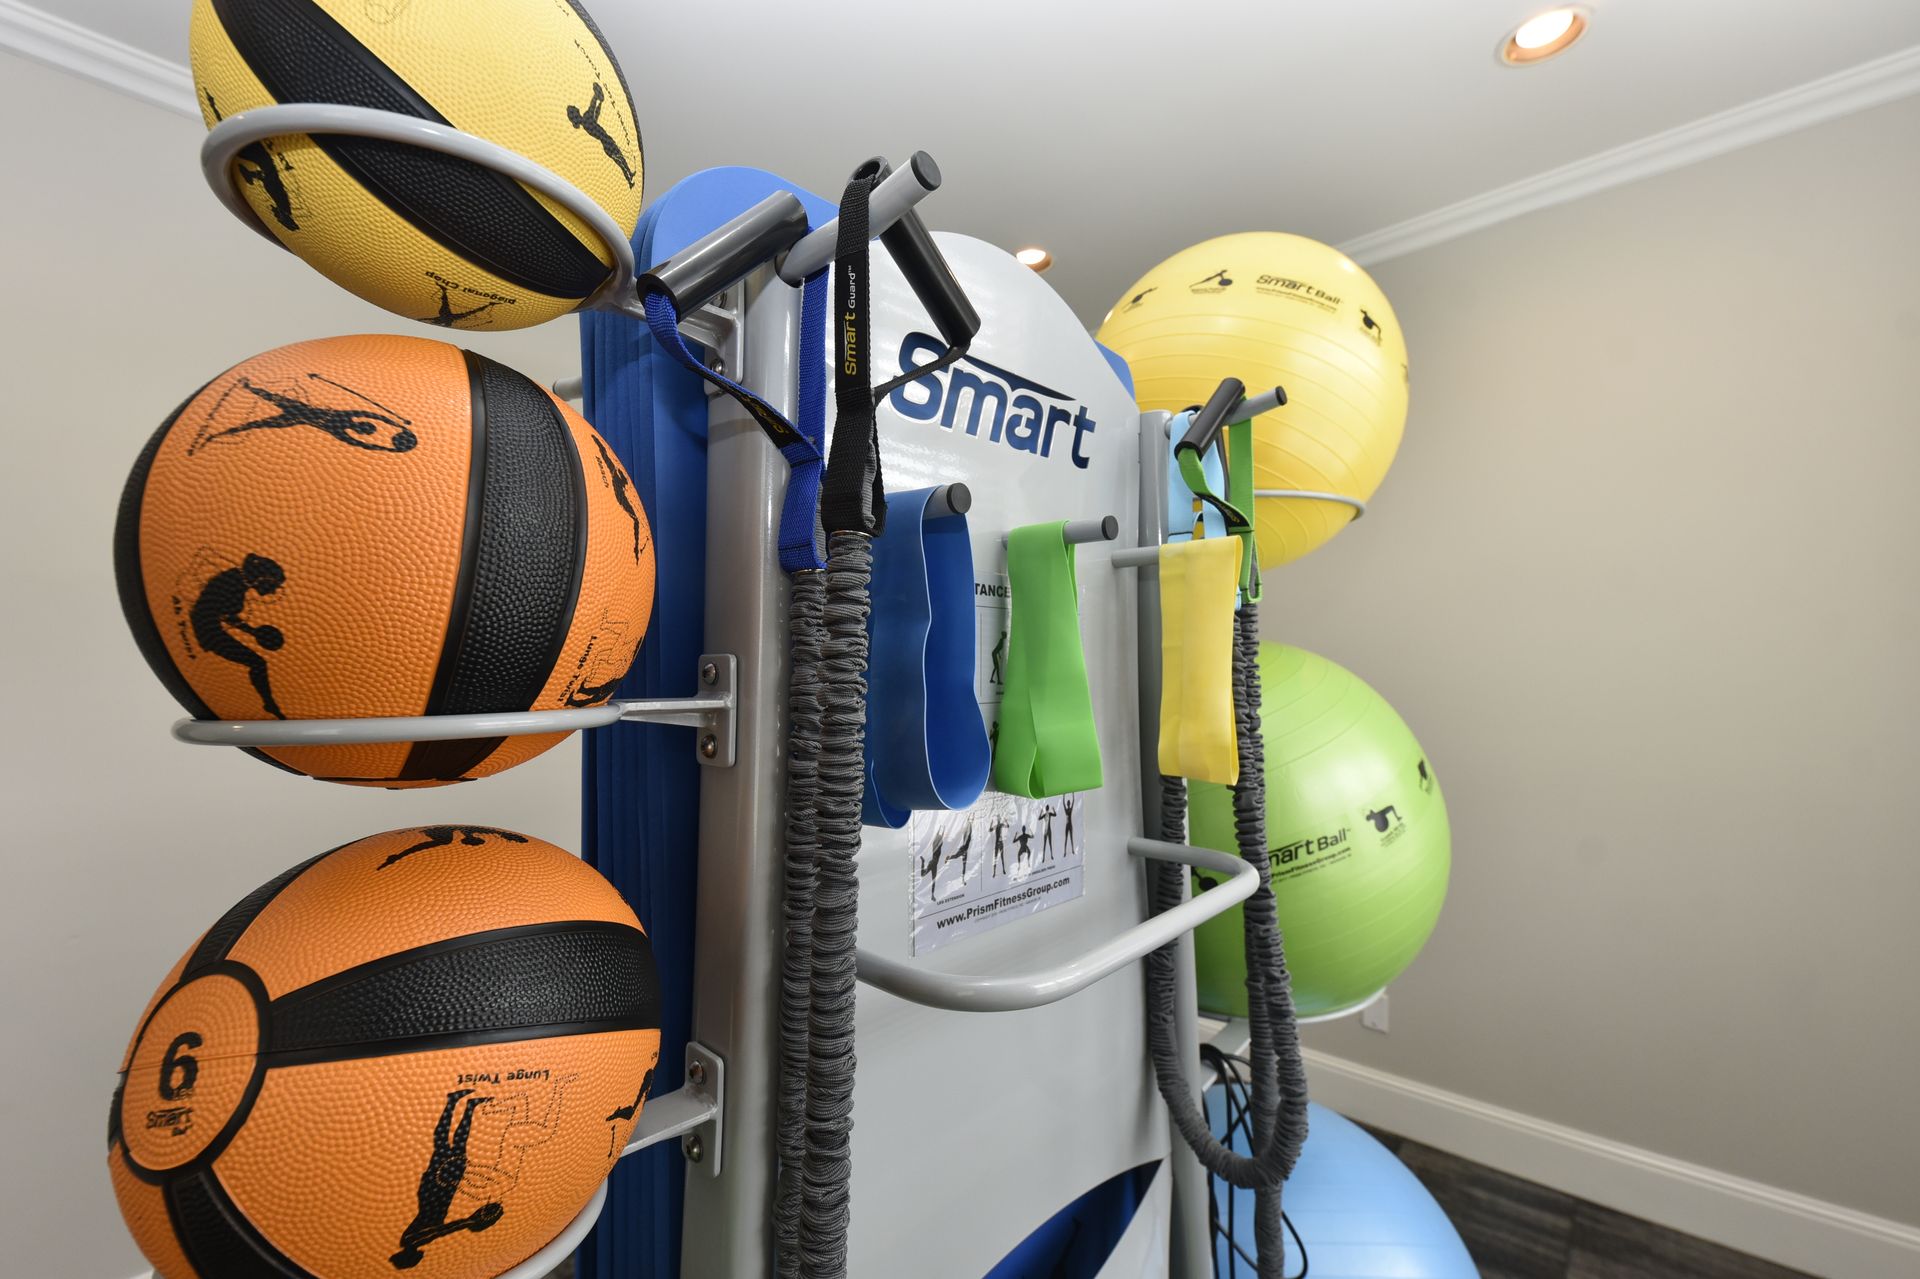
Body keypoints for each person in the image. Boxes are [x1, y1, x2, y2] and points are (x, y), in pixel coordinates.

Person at [391, 1090, 503, 1269]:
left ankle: (452, 1102)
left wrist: (468, 1222)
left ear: (407, 1257)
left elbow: (439, 1231)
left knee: (442, 1143)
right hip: (443, 1193)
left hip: (433, 1191)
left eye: (414, 1260)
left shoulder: (410, 1240)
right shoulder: (417, 1242)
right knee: (459, 1145)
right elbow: (440, 1231)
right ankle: (470, 1106)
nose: (418, 1258)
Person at [189, 554, 288, 718]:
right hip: (207, 631)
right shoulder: (233, 583)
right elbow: (215, 612)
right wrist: (253, 632)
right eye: (274, 585)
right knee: (257, 663)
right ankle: (269, 704)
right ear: (262, 578)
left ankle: (269, 703)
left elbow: (225, 615)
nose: (274, 590)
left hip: (207, 627)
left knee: (257, 663)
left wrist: (253, 631)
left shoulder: (237, 581)